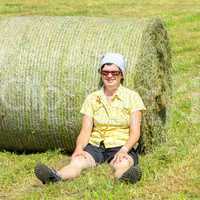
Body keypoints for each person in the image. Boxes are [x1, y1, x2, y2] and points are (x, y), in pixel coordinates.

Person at [34, 53, 146, 184]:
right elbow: (85, 131)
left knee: (122, 164)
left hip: (121, 144)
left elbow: (135, 132)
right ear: (101, 74)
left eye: (114, 72)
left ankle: (124, 178)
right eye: (105, 72)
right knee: (77, 162)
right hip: (96, 145)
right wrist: (79, 148)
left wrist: (124, 150)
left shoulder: (132, 97)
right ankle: (55, 177)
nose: (109, 76)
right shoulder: (92, 98)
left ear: (122, 74)